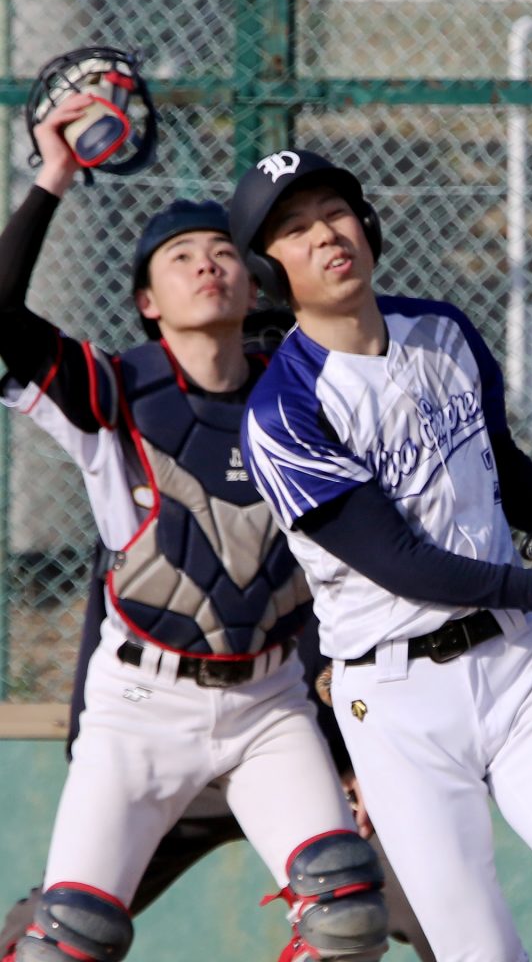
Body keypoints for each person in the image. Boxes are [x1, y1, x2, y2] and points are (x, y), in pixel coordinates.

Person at [0, 101, 389, 962]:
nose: (207, 264)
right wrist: (54, 175)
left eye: (223, 252)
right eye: (180, 257)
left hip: (269, 704)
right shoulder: (112, 393)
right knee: (65, 942)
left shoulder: (306, 395)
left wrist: (349, 746)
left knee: (347, 914)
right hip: (140, 710)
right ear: (147, 301)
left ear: (253, 284)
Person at [229, 147, 532, 962]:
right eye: (294, 229)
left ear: (368, 224)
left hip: (520, 667)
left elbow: (498, 459)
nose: (326, 235)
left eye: (335, 213)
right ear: (269, 270)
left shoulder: (441, 329)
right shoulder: (284, 411)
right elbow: (399, 562)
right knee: (478, 950)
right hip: (398, 701)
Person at [0, 540, 436, 962]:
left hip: (300, 746)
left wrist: (359, 754)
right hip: (158, 737)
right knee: (63, 930)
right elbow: (109, 608)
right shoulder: (154, 495)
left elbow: (376, 615)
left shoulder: (325, 494)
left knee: (372, 913)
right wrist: (92, 756)